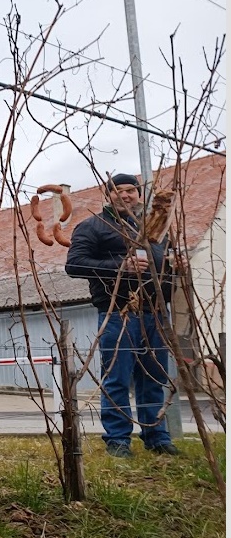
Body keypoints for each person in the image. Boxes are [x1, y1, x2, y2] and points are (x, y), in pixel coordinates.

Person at [65, 173, 181, 458]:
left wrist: (175, 266)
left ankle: (157, 436)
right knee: (116, 378)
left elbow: (165, 266)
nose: (126, 195)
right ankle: (118, 440)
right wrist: (121, 266)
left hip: (155, 313)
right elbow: (75, 265)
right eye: (119, 191)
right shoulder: (93, 226)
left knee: (154, 377)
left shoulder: (153, 227)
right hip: (118, 312)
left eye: (131, 191)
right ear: (108, 195)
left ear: (139, 195)